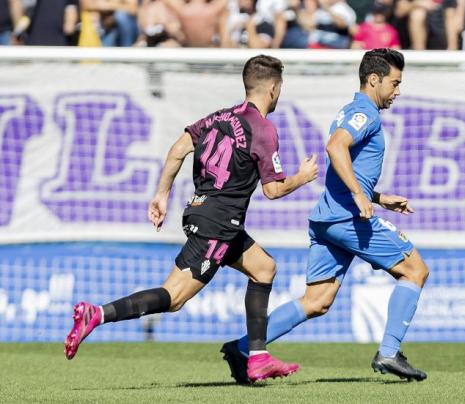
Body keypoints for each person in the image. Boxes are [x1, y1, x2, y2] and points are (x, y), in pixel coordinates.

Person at [64, 55, 319, 383]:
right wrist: (302, 176)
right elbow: (273, 189)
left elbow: (177, 149)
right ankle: (96, 314)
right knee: (174, 297)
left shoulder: (216, 118)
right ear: (274, 87)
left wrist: (161, 194)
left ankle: (256, 355)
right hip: (219, 223)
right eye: (280, 87)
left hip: (204, 213)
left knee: (264, 268)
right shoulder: (263, 129)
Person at [221, 48, 430, 384]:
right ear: (373, 80)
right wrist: (362, 197)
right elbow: (336, 148)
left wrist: (378, 197)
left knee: (317, 301)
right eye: (394, 83)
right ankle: (389, 351)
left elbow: (340, 163)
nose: (398, 91)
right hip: (349, 218)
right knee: (416, 270)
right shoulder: (366, 114)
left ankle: (244, 348)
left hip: (327, 218)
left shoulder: (350, 109)